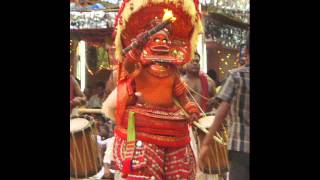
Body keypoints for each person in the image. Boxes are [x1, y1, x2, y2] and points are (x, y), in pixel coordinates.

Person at [104, 1, 203, 178]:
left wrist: (191, 109)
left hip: (173, 130)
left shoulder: (172, 70)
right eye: (156, 39)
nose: (161, 42)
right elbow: (127, 67)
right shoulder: (139, 64)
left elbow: (181, 96)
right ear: (147, 42)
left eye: (165, 39)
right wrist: (137, 48)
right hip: (143, 127)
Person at [199, 36, 250, 180]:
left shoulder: (236, 76)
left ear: (246, 51)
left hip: (241, 149)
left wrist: (207, 142)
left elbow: (221, 112)